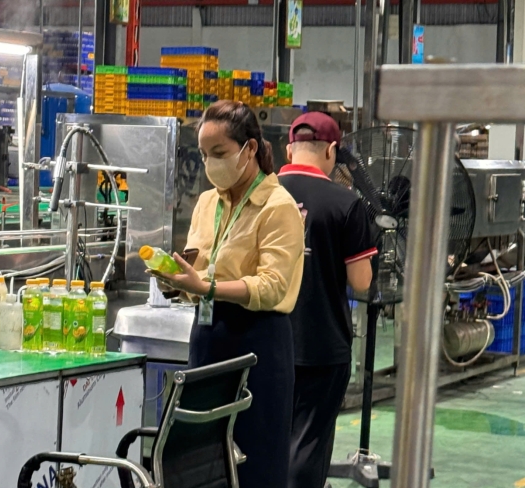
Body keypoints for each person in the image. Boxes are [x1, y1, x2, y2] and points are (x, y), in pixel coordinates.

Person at [150, 100, 305, 488]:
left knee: (254, 463)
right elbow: (200, 270)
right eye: (204, 154)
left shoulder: (278, 207)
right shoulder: (207, 203)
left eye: (219, 153)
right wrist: (178, 283)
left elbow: (272, 286)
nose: (210, 163)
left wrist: (207, 287)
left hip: (258, 344)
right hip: (207, 339)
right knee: (201, 462)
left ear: (249, 149)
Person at [278, 112, 377, 488]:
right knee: (308, 445)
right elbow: (361, 281)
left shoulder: (262, 194)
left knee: (267, 439)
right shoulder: (345, 203)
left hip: (266, 341)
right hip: (321, 344)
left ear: (289, 149)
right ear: (332, 151)